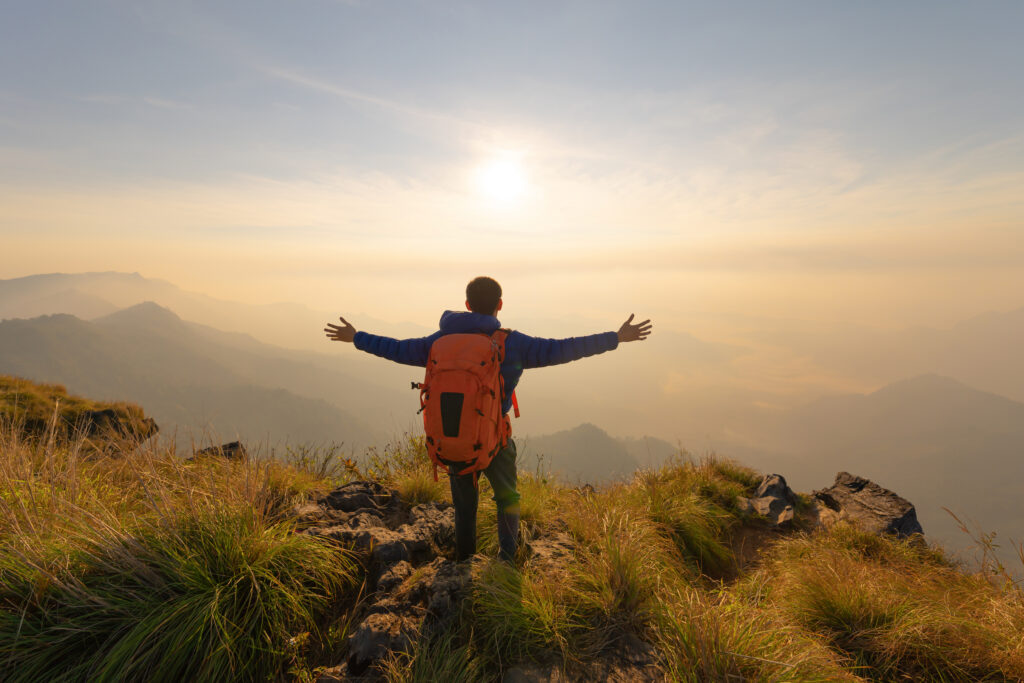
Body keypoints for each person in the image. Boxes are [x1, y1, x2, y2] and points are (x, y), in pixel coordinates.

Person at [324, 276, 652, 563]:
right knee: (507, 498)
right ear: (500, 305)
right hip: (496, 441)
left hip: (454, 438)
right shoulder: (512, 344)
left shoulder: (437, 343)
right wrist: (615, 338)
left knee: (465, 507)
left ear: (466, 305)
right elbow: (562, 349)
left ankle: (464, 561)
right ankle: (506, 560)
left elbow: (395, 348)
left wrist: (357, 337)